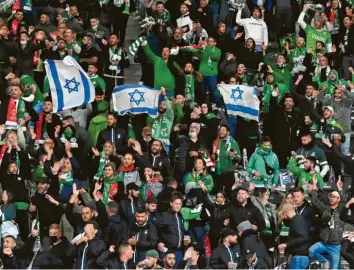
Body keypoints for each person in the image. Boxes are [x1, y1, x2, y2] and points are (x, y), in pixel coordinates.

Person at [308, 182, 344, 270]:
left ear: (338, 199)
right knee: (311, 251)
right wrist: (314, 189)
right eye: (331, 196)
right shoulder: (324, 209)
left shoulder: (341, 210)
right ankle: (325, 261)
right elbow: (314, 201)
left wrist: (340, 190)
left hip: (335, 246)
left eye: (334, 197)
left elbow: (345, 201)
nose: (332, 198)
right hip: (323, 243)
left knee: (334, 268)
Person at [278, 203, 311, 269]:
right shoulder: (296, 219)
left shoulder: (296, 220)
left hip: (299, 257)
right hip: (299, 256)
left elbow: (303, 237)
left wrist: (286, 244)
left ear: (286, 212)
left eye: (283, 214)